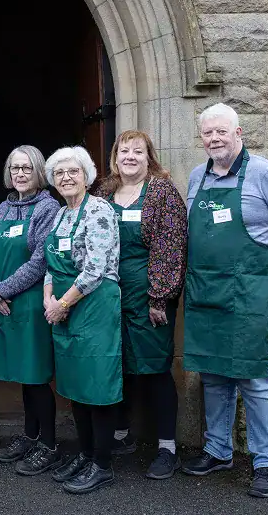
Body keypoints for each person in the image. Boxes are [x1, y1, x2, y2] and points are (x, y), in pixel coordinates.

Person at [182, 103, 268, 499]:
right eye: (208, 133)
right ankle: (218, 450)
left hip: (249, 292)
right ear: (201, 137)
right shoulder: (196, 176)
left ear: (239, 133)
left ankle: (267, 461)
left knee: (254, 376)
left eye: (222, 131)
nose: (215, 139)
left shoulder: (264, 173)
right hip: (205, 291)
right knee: (214, 374)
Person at [95, 131, 187, 479]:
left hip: (148, 298)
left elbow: (171, 247)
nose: (130, 156)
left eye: (138, 151)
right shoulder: (104, 193)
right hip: (108, 297)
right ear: (114, 157)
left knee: (154, 370)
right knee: (116, 366)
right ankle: (121, 435)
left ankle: (167, 449)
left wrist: (159, 296)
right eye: (123, 150)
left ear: (150, 157)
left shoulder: (162, 193)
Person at [43, 146, 121, 495]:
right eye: (59, 173)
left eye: (73, 171)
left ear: (86, 176)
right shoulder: (60, 215)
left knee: (97, 387)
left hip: (93, 307)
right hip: (64, 307)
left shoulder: (99, 210)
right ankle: (85, 453)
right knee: (75, 385)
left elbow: (95, 268)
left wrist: (62, 303)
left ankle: (101, 464)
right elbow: (50, 264)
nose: (66, 178)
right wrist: (48, 298)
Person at [0, 146, 60, 475]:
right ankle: (30, 435)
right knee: (23, 377)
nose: (19, 173)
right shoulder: (3, 207)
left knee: (37, 376)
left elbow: (40, 260)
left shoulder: (48, 207)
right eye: (14, 168)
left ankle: (50, 443)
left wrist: (3, 289)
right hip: (3, 305)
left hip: (30, 304)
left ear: (39, 172)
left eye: (27, 168)